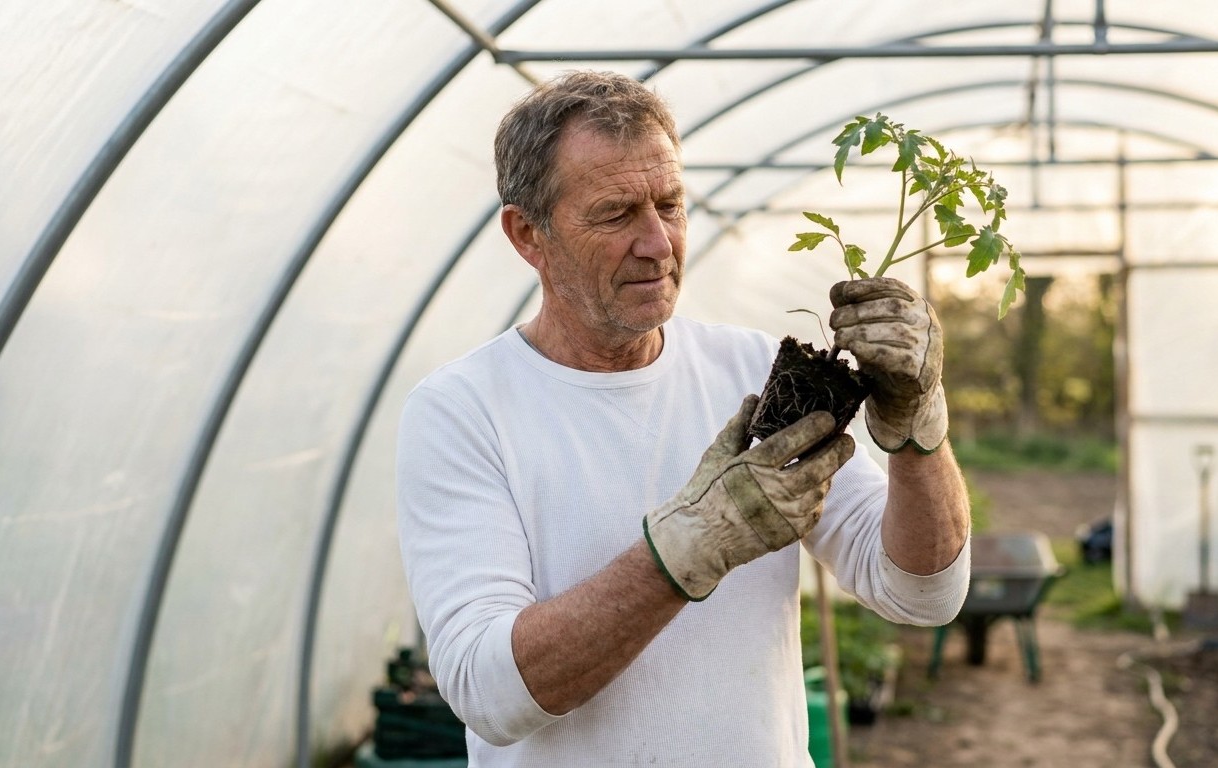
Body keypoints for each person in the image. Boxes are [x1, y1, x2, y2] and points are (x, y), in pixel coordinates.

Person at [396, 71, 971, 766]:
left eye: (669, 205)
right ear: (528, 235)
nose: (657, 243)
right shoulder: (464, 412)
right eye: (615, 214)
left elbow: (920, 592)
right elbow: (488, 692)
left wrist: (916, 428)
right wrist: (684, 550)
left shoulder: (757, 373)